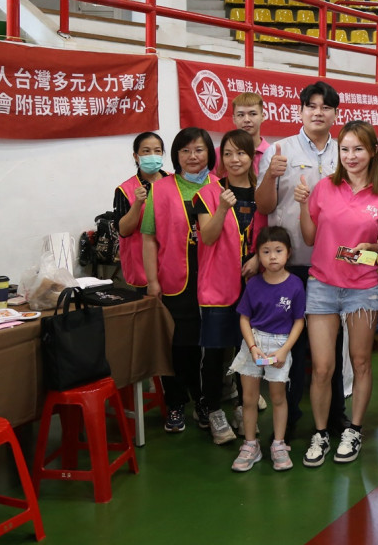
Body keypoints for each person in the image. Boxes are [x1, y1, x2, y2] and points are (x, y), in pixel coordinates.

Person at [294, 120, 378, 467]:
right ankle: (320, 433)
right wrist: (301, 205)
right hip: (322, 285)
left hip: (363, 289)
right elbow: (309, 238)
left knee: (361, 362)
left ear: (372, 153)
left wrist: (373, 248)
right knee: (322, 368)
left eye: (358, 149)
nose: (351, 156)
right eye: (345, 149)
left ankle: (353, 429)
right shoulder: (324, 187)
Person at [256, 81, 347, 440]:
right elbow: (264, 207)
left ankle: (336, 415)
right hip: (288, 265)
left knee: (331, 349)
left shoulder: (346, 152)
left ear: (336, 114)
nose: (318, 112)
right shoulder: (280, 150)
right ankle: (289, 415)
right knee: (288, 345)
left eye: (325, 107)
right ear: (300, 110)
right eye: (311, 106)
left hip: (332, 264)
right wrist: (270, 175)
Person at [141, 127, 223, 435]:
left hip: (214, 281)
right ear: (176, 155)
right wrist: (152, 280)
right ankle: (175, 402)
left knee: (208, 346)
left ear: (209, 154)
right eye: (185, 151)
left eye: (199, 150)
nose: (192, 156)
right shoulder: (161, 189)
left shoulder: (219, 186)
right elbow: (149, 238)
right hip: (174, 279)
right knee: (176, 345)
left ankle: (204, 401)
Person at [227, 227, 306, 472]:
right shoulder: (253, 285)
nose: (272, 256)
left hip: (280, 347)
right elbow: (243, 318)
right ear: (258, 256)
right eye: (266, 251)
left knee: (278, 398)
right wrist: (252, 347)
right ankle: (251, 445)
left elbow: (299, 321)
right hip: (254, 346)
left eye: (278, 251)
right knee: (249, 399)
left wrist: (284, 351)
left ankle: (279, 444)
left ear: (288, 253)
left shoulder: (295, 285)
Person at [204, 129, 266, 436]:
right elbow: (207, 236)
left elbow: (271, 234)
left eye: (240, 153)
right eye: (227, 154)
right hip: (218, 285)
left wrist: (256, 257)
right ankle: (214, 410)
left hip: (255, 285)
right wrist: (222, 208)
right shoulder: (210, 192)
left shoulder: (263, 192)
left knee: (249, 350)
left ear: (252, 156)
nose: (234, 159)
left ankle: (244, 407)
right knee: (216, 351)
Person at [113, 131, 168, 292]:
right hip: (142, 268)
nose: (153, 155)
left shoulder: (175, 182)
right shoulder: (125, 189)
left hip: (173, 264)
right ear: (136, 156)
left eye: (157, 151)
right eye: (146, 151)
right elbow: (123, 231)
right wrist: (137, 204)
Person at [232, 91, 270, 174]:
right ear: (234, 119)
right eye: (241, 115)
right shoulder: (221, 154)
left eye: (252, 114)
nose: (246, 120)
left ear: (262, 117)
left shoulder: (272, 154)